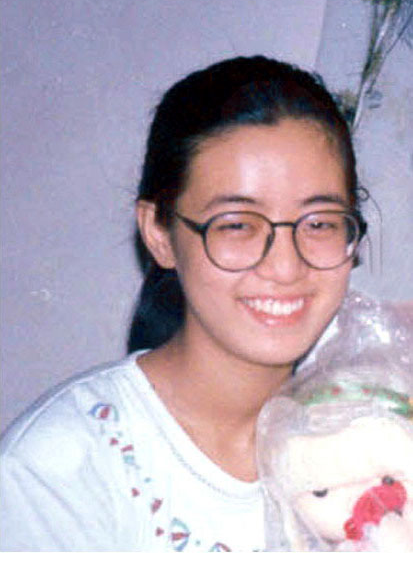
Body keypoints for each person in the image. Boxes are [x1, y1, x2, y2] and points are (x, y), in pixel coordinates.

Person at [0, 55, 368, 552]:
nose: (285, 266)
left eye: (320, 223)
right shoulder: (61, 470)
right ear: (159, 233)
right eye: (237, 225)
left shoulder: (368, 438)